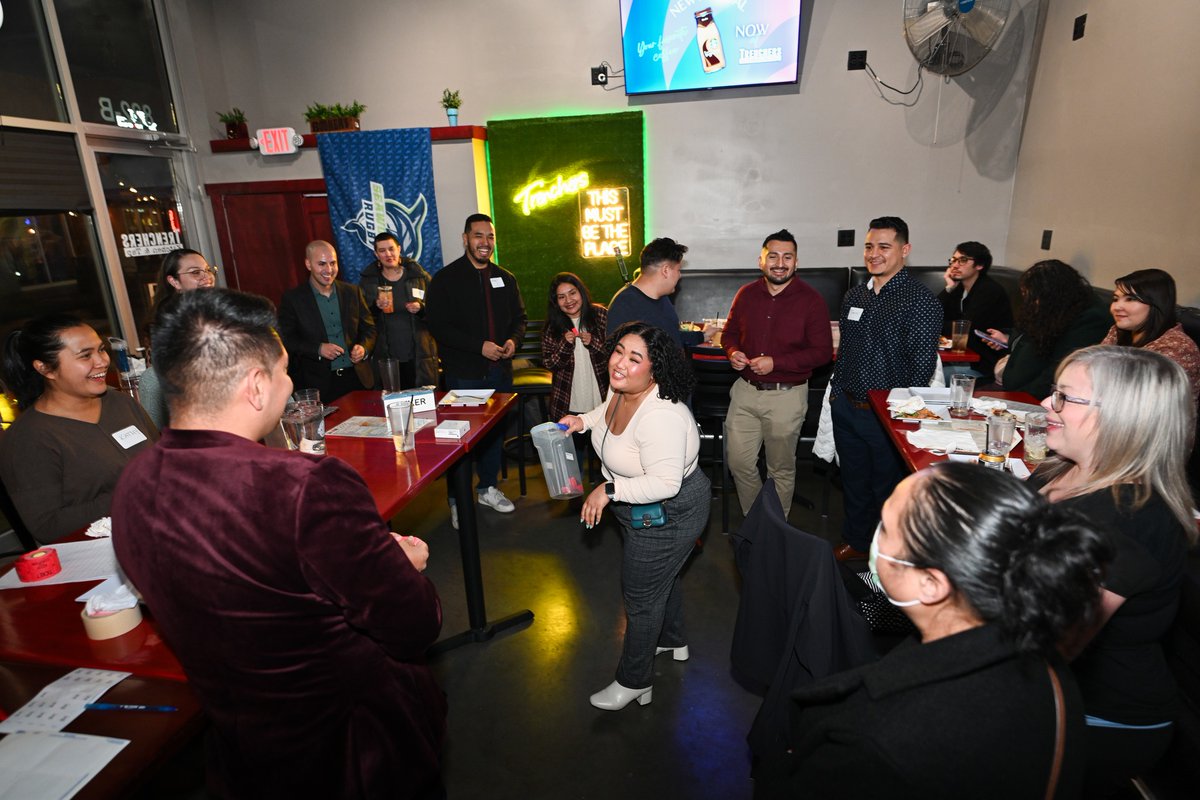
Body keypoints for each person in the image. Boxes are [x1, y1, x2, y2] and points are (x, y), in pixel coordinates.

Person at [112, 289, 446, 799]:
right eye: (286, 371)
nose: (290, 385)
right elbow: (412, 625)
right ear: (256, 385)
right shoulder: (305, 485)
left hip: (243, 747)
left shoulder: (133, 484)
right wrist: (405, 566)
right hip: (352, 750)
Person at [759, 462, 1111, 799]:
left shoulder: (875, 741)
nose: (876, 540)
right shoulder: (1044, 660)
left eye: (885, 528)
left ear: (930, 584)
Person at [1030, 346, 1196, 792]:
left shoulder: (1129, 518)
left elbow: (1048, 642)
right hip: (1051, 689)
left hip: (1099, 716)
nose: (1047, 405)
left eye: (1064, 397)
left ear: (1122, 418)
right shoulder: (1063, 468)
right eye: (1053, 392)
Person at [560, 321, 710, 711]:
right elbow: (604, 413)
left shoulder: (661, 416)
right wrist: (581, 421)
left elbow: (665, 484)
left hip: (670, 512)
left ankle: (634, 681)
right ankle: (672, 640)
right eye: (618, 351)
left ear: (655, 370)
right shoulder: (621, 387)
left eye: (635, 358)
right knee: (662, 578)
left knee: (641, 596)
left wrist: (609, 490)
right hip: (639, 507)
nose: (621, 363)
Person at [829, 216, 942, 561]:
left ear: (904, 250)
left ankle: (888, 555)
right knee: (854, 483)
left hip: (885, 415)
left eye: (883, 247)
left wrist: (898, 415)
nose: (873, 254)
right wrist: (836, 393)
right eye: (868, 246)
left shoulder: (920, 301)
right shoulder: (854, 296)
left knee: (887, 490)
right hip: (846, 405)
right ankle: (857, 541)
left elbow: (921, 369)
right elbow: (846, 350)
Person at [0, 314, 157, 542]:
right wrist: (134, 492)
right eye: (85, 355)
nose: (102, 361)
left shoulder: (120, 403)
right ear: (46, 369)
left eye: (101, 350)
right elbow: (47, 526)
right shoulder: (29, 439)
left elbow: (161, 459)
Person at [722, 229, 831, 517]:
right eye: (773, 256)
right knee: (739, 463)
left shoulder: (811, 300)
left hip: (787, 396)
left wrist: (776, 362)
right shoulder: (746, 294)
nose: (780, 263)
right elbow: (729, 333)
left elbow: (822, 352)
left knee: (779, 469)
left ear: (796, 263)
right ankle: (757, 519)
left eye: (787, 257)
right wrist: (732, 352)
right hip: (744, 392)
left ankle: (774, 530)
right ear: (761, 260)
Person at [425, 213, 526, 525]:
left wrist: (512, 340)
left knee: (494, 434)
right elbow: (437, 326)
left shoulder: (505, 278)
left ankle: (488, 488)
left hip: (500, 372)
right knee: (461, 439)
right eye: (479, 236)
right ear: (465, 238)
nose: (485, 242)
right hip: (464, 372)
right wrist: (478, 346)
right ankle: (457, 499)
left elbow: (520, 319)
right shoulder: (445, 279)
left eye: (490, 236)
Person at [983, 259, 1109, 398]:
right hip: (1012, 386)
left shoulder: (1089, 318)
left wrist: (1026, 397)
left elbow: (1060, 366)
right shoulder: (1051, 309)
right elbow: (1026, 333)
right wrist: (1008, 337)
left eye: (1034, 297)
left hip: (1033, 396)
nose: (1032, 302)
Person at [277, 240, 376, 401]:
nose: (329, 270)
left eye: (333, 263)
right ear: (308, 264)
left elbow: (370, 328)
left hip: (358, 379)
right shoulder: (293, 299)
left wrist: (364, 348)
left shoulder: (352, 292)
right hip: (318, 385)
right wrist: (318, 348)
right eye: (322, 264)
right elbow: (286, 339)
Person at [138, 248, 219, 428]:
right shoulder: (169, 319)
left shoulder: (219, 308)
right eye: (195, 272)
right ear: (174, 281)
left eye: (208, 270)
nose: (206, 276)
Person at [1100, 268, 1200, 403]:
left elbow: (1141, 401)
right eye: (1116, 299)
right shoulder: (1117, 332)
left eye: (1130, 299)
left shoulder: (1178, 347)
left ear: (1156, 304)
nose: (1117, 307)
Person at [358, 231, 438, 388]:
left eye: (391, 248)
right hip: (387, 358)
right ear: (376, 254)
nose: (388, 254)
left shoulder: (419, 277)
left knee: (424, 406)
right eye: (382, 250)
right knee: (392, 405)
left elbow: (439, 310)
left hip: (420, 356)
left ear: (399, 249)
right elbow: (361, 320)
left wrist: (421, 309)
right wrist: (375, 308)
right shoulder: (368, 283)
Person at [605, 237, 707, 348]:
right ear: (665, 270)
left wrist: (703, 335)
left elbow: (670, 337)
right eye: (678, 270)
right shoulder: (625, 306)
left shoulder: (663, 299)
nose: (679, 275)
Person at [937, 240, 1012, 381]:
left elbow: (965, 328)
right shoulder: (958, 288)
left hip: (985, 365)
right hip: (963, 358)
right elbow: (932, 314)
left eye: (962, 260)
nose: (954, 265)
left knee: (935, 375)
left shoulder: (989, 291)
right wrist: (948, 288)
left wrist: (939, 324)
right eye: (953, 260)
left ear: (980, 265)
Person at [541, 272, 609, 421]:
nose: (568, 300)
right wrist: (565, 346)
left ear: (581, 292)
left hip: (602, 399)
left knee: (599, 443)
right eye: (561, 297)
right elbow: (549, 363)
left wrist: (594, 343)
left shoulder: (600, 315)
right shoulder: (553, 326)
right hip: (567, 400)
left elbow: (614, 355)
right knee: (572, 443)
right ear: (556, 301)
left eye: (572, 293)